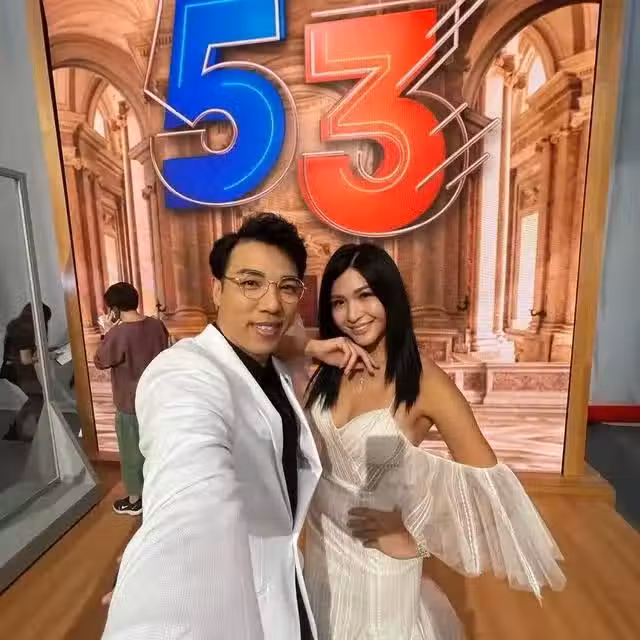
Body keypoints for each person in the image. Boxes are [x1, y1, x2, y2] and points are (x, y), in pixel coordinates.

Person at [102, 213, 374, 639]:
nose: (272, 303)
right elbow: (192, 494)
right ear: (217, 289)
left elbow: (282, 341)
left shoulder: (270, 363)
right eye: (250, 283)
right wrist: (156, 593)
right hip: (229, 598)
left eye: (287, 287)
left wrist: (313, 346)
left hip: (286, 575)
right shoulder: (183, 374)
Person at [301, 243, 566, 639]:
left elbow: (489, 484)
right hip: (322, 541)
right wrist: (311, 347)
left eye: (365, 295)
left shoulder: (423, 381)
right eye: (339, 302)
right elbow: (262, 347)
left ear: (390, 296)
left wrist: (417, 536)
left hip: (378, 557)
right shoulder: (333, 366)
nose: (353, 315)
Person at [94, 282, 169, 516]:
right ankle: (159, 493)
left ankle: (136, 500)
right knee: (157, 448)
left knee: (131, 452)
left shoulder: (118, 333)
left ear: (114, 309)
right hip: (157, 398)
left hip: (130, 403)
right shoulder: (156, 325)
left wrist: (107, 331)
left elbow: (101, 360)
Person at [1, 303, 51, 441]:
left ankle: (16, 429)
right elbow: (26, 359)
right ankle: (18, 431)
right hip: (17, 370)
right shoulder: (24, 331)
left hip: (12, 367)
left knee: (36, 397)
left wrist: (48, 351)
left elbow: (24, 354)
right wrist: (47, 356)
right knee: (38, 397)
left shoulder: (17, 324)